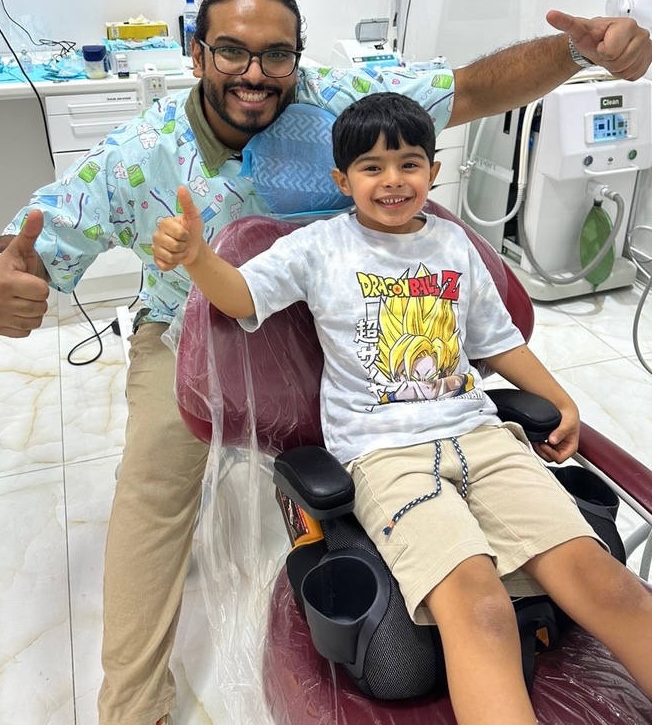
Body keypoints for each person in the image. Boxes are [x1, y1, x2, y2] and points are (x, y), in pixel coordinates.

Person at [0, 0, 652, 725]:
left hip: (367, 329)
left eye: (276, 54)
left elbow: (475, 87)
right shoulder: (144, 151)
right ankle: (132, 708)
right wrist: (2, 272)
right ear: (196, 54)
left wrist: (579, 52)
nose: (255, 73)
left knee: (567, 571)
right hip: (200, 326)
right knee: (152, 494)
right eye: (231, 51)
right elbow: (36, 235)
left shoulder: (343, 103)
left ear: (298, 55)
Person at [152, 90, 652, 725]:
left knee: (606, 583)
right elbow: (242, 297)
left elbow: (497, 342)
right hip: (383, 454)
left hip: (482, 437)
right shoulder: (319, 247)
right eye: (372, 167)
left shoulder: (454, 244)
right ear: (343, 180)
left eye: (409, 163)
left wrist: (560, 398)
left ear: (433, 171)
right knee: (480, 608)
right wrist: (199, 259)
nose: (393, 180)